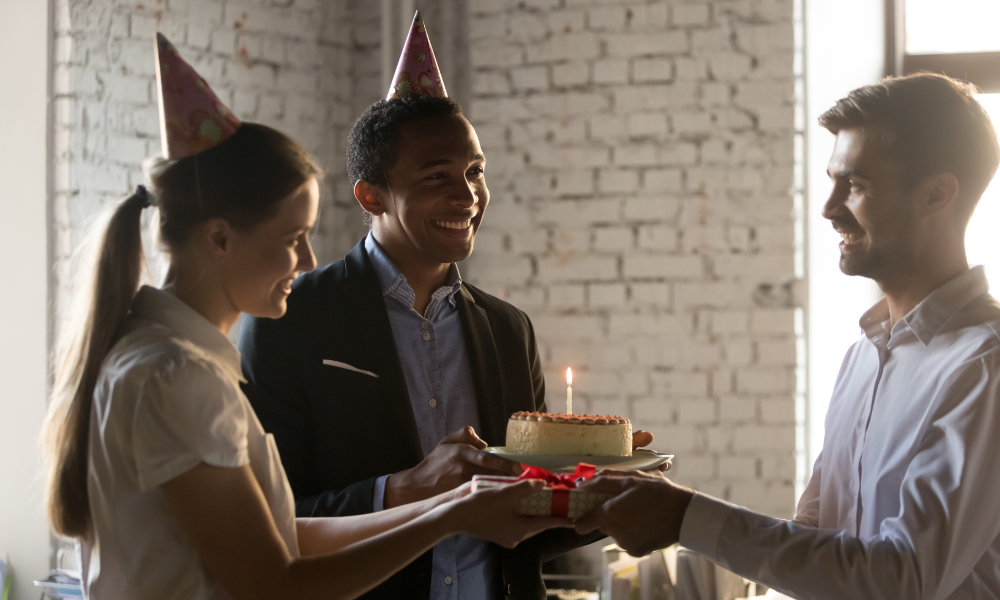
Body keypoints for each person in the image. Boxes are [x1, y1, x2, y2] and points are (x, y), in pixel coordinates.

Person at [40, 33, 568, 600]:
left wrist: (460, 508)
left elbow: (284, 536)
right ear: (219, 238)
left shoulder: (170, 364)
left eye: (475, 171)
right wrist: (443, 513)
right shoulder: (176, 377)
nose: (309, 261)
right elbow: (276, 581)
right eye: (292, 238)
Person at [237, 12, 653, 600]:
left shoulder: (509, 330)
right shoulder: (290, 318)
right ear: (371, 194)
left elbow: (519, 527)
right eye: (437, 176)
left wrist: (598, 498)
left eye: (476, 171)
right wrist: (403, 489)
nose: (469, 195)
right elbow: (267, 522)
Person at [576, 72, 1000, 599]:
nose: (829, 207)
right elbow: (817, 540)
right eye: (834, 180)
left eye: (857, 185)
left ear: (937, 194)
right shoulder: (862, 358)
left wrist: (687, 515)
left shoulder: (985, 367)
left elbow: (902, 579)